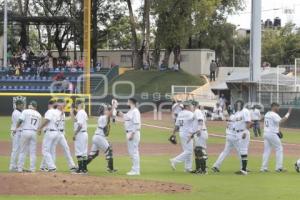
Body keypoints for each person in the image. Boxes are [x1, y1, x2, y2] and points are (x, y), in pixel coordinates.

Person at [261, 103, 292, 173]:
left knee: (267, 151)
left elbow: (274, 124)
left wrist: (278, 130)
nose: (279, 108)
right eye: (278, 107)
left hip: (266, 133)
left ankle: (263, 168)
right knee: (279, 148)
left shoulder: (267, 113)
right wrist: (288, 113)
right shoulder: (274, 114)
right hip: (272, 134)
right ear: (274, 107)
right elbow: (281, 121)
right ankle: (279, 168)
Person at [87, 104, 117, 173]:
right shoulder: (103, 117)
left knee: (93, 154)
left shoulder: (104, 118)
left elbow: (112, 116)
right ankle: (110, 169)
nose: (107, 110)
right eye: (106, 110)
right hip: (99, 137)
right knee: (109, 151)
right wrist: (113, 106)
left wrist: (114, 117)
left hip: (97, 137)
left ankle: (82, 166)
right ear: (103, 111)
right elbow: (110, 114)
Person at [118, 98, 141, 176]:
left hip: (133, 133)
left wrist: (132, 133)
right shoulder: (131, 111)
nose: (127, 102)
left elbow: (136, 123)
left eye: (128, 101)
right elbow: (126, 118)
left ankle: (136, 170)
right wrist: (121, 114)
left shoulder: (135, 111)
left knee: (134, 152)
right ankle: (134, 169)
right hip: (129, 132)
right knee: (131, 152)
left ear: (131, 102)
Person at [16, 101, 42, 172]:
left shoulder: (25, 111)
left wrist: (16, 128)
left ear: (29, 105)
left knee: (22, 151)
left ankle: (20, 168)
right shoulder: (38, 114)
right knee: (33, 152)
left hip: (25, 131)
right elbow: (39, 127)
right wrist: (39, 132)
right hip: (34, 133)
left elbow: (20, 120)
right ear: (35, 107)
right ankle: (32, 168)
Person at [169, 101, 194, 173]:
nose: (191, 107)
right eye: (190, 106)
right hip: (187, 134)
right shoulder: (190, 113)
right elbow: (196, 119)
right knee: (189, 151)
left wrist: (173, 134)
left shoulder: (180, 113)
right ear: (187, 107)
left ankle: (188, 168)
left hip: (181, 133)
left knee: (187, 151)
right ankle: (175, 160)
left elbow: (177, 126)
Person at [53, 99, 77, 172]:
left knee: (66, 149)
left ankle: (72, 166)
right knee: (51, 149)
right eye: (63, 104)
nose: (64, 105)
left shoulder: (63, 113)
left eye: (64, 104)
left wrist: (64, 134)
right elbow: (54, 123)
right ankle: (45, 166)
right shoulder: (54, 112)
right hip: (55, 133)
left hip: (61, 133)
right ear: (58, 104)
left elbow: (62, 125)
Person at [38, 100, 60, 172]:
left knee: (45, 150)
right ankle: (52, 166)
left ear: (49, 105)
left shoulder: (50, 111)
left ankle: (52, 167)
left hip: (50, 132)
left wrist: (40, 128)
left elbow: (47, 120)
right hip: (56, 132)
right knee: (52, 151)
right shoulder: (58, 112)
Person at [188, 101, 209, 174]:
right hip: (197, 133)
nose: (189, 107)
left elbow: (200, 121)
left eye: (190, 105)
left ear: (194, 105)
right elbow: (194, 125)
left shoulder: (197, 111)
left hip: (201, 132)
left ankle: (204, 170)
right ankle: (198, 169)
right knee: (197, 151)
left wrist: (199, 129)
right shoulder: (195, 112)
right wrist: (192, 134)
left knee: (200, 150)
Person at [232, 100, 251, 175]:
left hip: (243, 132)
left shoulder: (245, 111)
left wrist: (245, 131)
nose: (238, 105)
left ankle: (244, 170)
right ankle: (243, 168)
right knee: (240, 151)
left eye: (239, 104)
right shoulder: (237, 113)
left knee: (243, 150)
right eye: (237, 104)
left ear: (242, 104)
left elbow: (248, 122)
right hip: (237, 133)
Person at [72, 100, 89, 174]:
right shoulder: (83, 112)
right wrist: (72, 111)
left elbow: (80, 125)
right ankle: (84, 169)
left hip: (80, 134)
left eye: (76, 104)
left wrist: (75, 134)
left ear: (78, 105)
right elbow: (75, 120)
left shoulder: (81, 112)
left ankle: (80, 169)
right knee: (84, 152)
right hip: (84, 134)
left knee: (79, 151)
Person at [9, 99, 25, 172]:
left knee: (18, 150)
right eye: (21, 104)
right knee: (15, 150)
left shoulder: (19, 112)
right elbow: (21, 123)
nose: (23, 105)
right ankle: (12, 166)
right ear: (18, 105)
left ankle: (15, 166)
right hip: (16, 132)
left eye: (23, 104)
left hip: (18, 132)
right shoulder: (16, 113)